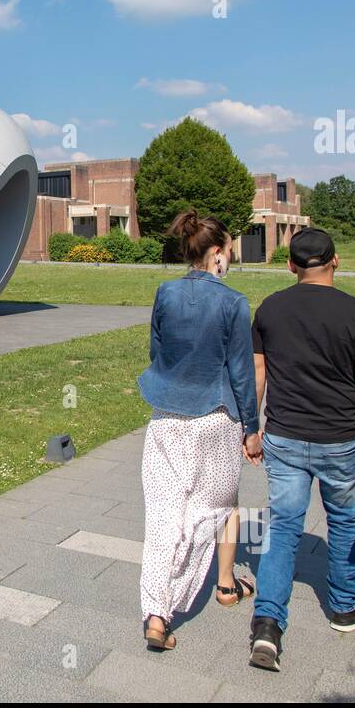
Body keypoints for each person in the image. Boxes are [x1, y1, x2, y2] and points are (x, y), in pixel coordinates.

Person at [247, 227, 355, 671]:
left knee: (282, 527)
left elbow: (257, 375)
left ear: (290, 265)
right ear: (335, 261)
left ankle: (267, 625)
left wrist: (251, 428)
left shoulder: (269, 309)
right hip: (340, 440)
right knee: (344, 521)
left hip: (282, 437)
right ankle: (343, 606)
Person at [137, 209, 263, 652]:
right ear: (215, 255)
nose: (229, 258)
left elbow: (157, 348)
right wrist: (252, 427)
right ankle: (216, 586)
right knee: (211, 511)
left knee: (163, 515)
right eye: (228, 250)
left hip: (167, 416)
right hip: (215, 416)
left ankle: (157, 612)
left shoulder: (165, 293)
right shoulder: (233, 302)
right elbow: (242, 372)